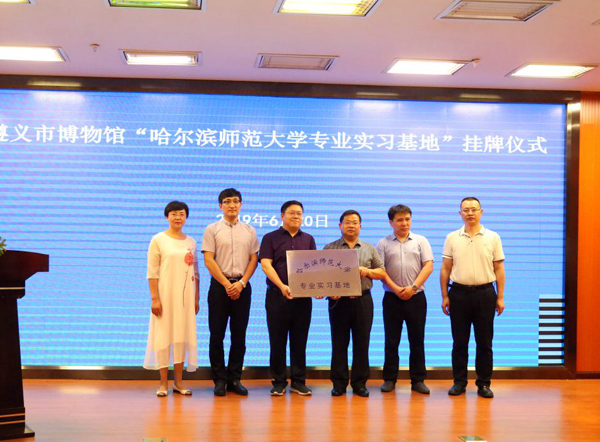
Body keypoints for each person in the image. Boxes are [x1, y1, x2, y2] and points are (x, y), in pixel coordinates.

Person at [440, 197, 505, 399]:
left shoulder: (493, 237)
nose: (470, 213)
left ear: (481, 212)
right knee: (459, 342)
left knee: (484, 342)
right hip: (458, 294)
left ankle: (484, 384)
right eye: (466, 210)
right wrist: (445, 295)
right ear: (460, 213)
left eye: (474, 209)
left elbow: (499, 268)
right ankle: (459, 383)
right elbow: (445, 268)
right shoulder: (452, 237)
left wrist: (500, 297)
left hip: (485, 294)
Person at [202, 188, 259, 397]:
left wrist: (241, 283)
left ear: (241, 204)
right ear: (220, 206)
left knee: (239, 335)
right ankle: (219, 379)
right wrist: (227, 284)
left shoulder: (250, 230)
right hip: (219, 287)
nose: (232, 205)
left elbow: (254, 259)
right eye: (227, 202)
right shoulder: (212, 229)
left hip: (242, 287)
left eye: (235, 201)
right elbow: (209, 260)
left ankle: (235, 378)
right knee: (216, 335)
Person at [324, 210, 385, 398]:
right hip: (338, 302)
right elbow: (321, 276)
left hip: (363, 301)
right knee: (338, 343)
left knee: (362, 343)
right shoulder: (330, 248)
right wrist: (328, 292)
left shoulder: (369, 248)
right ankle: (339, 384)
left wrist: (367, 271)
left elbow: (382, 272)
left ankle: (360, 384)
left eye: (355, 222)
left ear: (360, 226)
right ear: (340, 225)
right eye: (347, 222)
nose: (351, 225)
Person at [259, 200, 316, 396]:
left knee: (300, 340)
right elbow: (266, 265)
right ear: (282, 216)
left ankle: (298, 381)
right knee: (277, 339)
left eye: (299, 213)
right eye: (292, 213)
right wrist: (282, 286)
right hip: (277, 296)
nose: (296, 216)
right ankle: (279, 381)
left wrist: (318, 286)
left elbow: (314, 267)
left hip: (302, 298)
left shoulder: (308, 239)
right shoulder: (270, 238)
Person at [144, 201, 199, 397]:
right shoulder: (158, 239)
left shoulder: (191, 242)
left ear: (186, 217)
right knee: (163, 337)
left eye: (182, 214)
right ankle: (163, 384)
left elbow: (195, 272)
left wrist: (196, 298)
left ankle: (178, 382)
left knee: (181, 337)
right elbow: (152, 272)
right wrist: (155, 298)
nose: (178, 217)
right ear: (167, 217)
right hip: (165, 297)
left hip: (185, 299)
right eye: (174, 214)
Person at [377, 205, 434, 395]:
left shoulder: (420, 240)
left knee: (417, 339)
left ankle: (418, 380)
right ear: (391, 222)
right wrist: (395, 289)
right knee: (391, 340)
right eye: (400, 220)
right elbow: (380, 270)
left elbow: (428, 266)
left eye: (407, 219)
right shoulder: (383, 243)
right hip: (392, 298)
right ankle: (389, 379)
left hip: (416, 298)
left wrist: (413, 288)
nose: (404, 223)